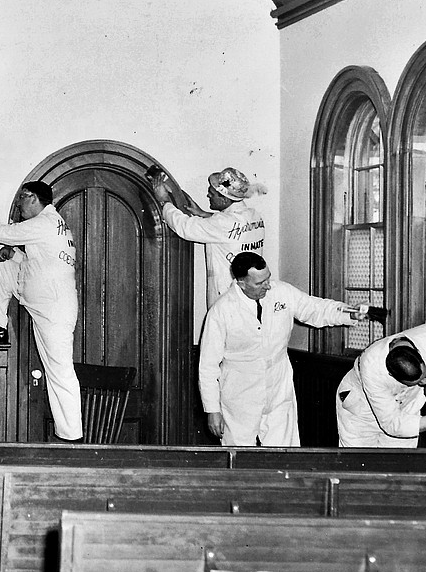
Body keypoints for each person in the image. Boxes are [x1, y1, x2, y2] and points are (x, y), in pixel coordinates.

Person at [199, 251, 362, 446]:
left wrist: (350, 314)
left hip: (278, 388)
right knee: (239, 454)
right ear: (241, 283)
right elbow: (208, 366)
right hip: (239, 395)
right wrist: (212, 410)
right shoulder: (221, 311)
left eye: (268, 278)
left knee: (284, 451)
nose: (268, 285)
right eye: (260, 283)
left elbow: (315, 308)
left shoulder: (282, 292)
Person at [0, 182, 83, 441]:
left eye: (22, 198)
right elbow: (38, 262)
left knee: (60, 372)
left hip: (54, 310)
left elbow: (2, 232)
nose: (18, 203)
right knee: (4, 264)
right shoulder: (49, 224)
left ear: (33, 198)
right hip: (43, 301)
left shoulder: (46, 222)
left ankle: (73, 438)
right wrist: (14, 253)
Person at [336, 309, 426, 447]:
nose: (425, 381)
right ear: (392, 376)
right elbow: (392, 424)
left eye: (423, 376)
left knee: (401, 462)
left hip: (405, 402)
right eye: (419, 382)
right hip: (361, 410)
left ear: (419, 355)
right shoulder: (373, 369)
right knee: (360, 463)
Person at [151, 166, 265, 306]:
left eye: (212, 193)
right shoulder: (254, 216)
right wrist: (204, 214)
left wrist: (164, 201)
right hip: (250, 294)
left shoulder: (221, 224)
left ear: (224, 199)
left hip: (227, 298)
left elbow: (183, 227)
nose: (208, 196)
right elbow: (231, 227)